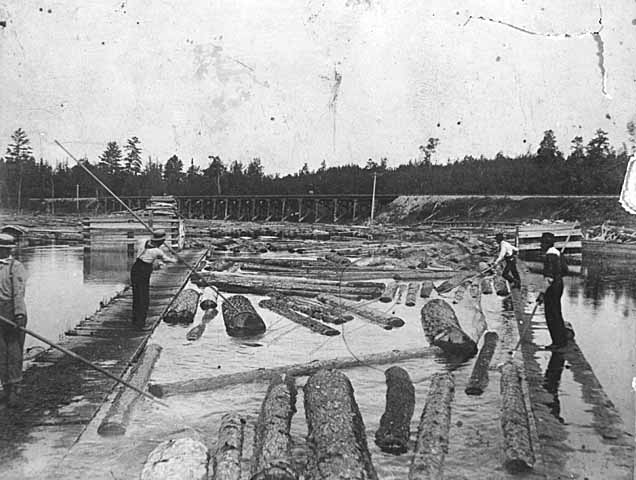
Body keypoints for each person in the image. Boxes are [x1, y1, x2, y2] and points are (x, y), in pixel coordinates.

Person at [0, 233, 28, 408]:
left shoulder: (15, 267)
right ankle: (5, 386)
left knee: (14, 351)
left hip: (12, 312)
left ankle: (14, 389)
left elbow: (18, 293)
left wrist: (19, 314)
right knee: (0, 352)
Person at [130, 230, 176, 330]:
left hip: (135, 269)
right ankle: (140, 325)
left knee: (137, 296)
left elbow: (144, 242)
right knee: (144, 298)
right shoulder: (157, 251)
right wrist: (176, 260)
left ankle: (135, 321)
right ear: (161, 241)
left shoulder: (143, 241)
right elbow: (166, 259)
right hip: (143, 272)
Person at [540, 232, 570, 352]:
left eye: (542, 243)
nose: (540, 245)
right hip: (559, 284)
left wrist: (542, 293)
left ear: (546, 244)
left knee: (551, 314)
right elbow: (565, 270)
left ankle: (557, 343)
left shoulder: (550, 255)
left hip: (552, 287)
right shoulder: (558, 253)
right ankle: (561, 340)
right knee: (557, 312)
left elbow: (549, 277)